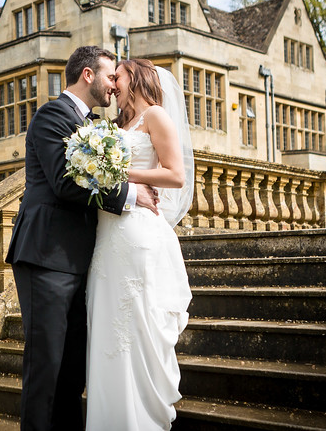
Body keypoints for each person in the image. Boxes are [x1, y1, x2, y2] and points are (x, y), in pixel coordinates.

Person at [6, 46, 159, 431]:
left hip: (83, 261)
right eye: (111, 76)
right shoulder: (50, 116)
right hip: (46, 257)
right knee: (46, 368)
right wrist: (129, 194)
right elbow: (63, 182)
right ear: (88, 75)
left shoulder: (96, 125)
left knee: (73, 373)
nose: (115, 86)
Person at [85, 59, 194, 430]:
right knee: (106, 329)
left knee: (135, 331)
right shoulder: (117, 126)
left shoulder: (156, 116)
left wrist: (116, 170)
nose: (112, 82)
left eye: (118, 75)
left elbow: (176, 174)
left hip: (137, 236)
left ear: (137, 79)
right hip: (107, 237)